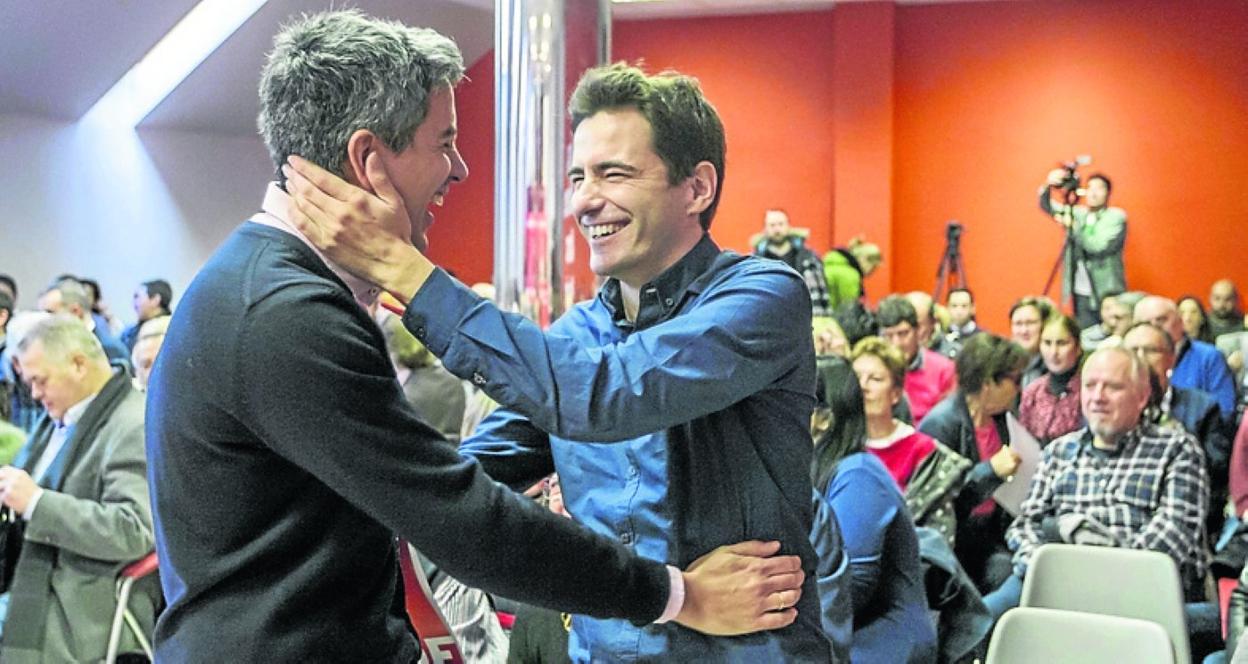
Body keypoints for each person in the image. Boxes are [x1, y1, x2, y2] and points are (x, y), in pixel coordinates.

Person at [149, 13, 806, 663]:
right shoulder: (283, 307)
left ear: (696, 188)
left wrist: (410, 275)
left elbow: (603, 395)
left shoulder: (760, 297)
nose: (582, 201)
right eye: (579, 177)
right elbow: (457, 496)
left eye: (614, 174)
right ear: (369, 160)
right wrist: (668, 591)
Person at [986, 346, 1209, 619]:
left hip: (1139, 590)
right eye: (1090, 386)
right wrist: (1042, 566)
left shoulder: (1176, 450)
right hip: (1055, 581)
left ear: (1141, 397)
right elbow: (1026, 524)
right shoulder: (1059, 451)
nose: (1098, 397)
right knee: (978, 623)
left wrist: (1097, 579)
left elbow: (1171, 538)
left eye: (1112, 387)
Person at [0, 315, 157, 661]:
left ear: (78, 365)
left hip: (80, 593)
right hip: (36, 570)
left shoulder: (132, 424)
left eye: (40, 381)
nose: (35, 394)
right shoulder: (62, 415)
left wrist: (37, 503)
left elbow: (134, 530)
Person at [810, 356, 937, 663]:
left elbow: (849, 589)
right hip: (849, 634)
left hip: (885, 642)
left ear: (824, 418)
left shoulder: (858, 474)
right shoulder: (818, 468)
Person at [918, 333, 1027, 591]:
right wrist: (990, 471)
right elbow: (936, 498)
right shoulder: (941, 424)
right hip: (956, 540)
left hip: (991, 531)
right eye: (1015, 380)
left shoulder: (1002, 419)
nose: (1019, 388)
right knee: (1005, 575)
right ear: (989, 382)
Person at [850, 337, 970, 545]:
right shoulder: (837, 445)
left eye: (875, 379)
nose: (863, 387)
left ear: (896, 394)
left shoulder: (924, 452)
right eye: (856, 378)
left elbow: (936, 537)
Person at [1039, 169, 1127, 328]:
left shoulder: (1115, 217)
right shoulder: (1079, 214)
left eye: (1099, 188)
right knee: (1084, 334)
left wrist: (1073, 227)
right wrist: (1049, 185)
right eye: (1090, 187)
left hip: (1106, 292)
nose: (1093, 193)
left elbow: (1098, 246)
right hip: (1080, 290)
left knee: (1110, 335)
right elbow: (1047, 207)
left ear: (1108, 193)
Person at [1136, 295, 1238, 422]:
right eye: (1145, 323)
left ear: (1180, 322)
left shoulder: (1209, 357)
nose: (1153, 327)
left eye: (1161, 319)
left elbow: (1225, 413)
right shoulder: (1128, 359)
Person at [877, 295, 956, 424]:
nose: (896, 344)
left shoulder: (944, 369)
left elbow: (950, 424)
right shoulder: (870, 371)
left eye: (903, 334)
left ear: (917, 331)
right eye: (888, 336)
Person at [1018, 314, 1085, 445]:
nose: (1053, 352)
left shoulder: (1088, 390)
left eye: (1062, 343)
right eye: (1047, 343)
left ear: (1077, 348)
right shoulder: (1032, 391)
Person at [753, 209, 833, 317]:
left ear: (788, 226)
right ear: (765, 229)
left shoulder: (808, 258)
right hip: (768, 318)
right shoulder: (756, 262)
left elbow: (822, 293)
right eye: (772, 225)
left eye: (781, 224)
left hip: (805, 318)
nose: (777, 229)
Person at [37, 279, 129, 369]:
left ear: (75, 311)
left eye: (50, 313)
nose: (43, 321)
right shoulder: (49, 350)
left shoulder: (111, 350)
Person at [823, 238, 882, 311]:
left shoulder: (828, 265)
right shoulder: (850, 275)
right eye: (873, 267)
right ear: (864, 259)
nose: (871, 273)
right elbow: (849, 310)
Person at [1009, 296, 1055, 388]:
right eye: (1018, 324)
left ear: (1045, 324)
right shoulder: (1006, 365)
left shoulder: (1056, 364)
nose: (1024, 331)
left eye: (1030, 323)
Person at [121, 280, 173, 352]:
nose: (133, 303)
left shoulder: (159, 331)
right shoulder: (174, 326)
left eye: (137, 297)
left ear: (155, 300)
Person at [941, 288, 980, 358]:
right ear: (947, 308)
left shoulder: (983, 338)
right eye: (954, 306)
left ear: (973, 308)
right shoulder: (940, 336)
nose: (959, 311)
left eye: (964, 306)